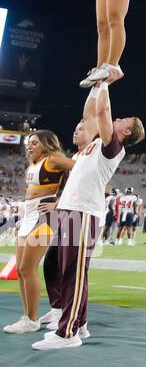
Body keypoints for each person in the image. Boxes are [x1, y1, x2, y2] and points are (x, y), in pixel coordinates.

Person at [35, 79, 143, 351]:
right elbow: (91, 114)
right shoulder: (93, 144)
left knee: (72, 272)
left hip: (84, 213)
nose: (118, 117)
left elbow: (104, 113)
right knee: (71, 270)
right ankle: (79, 322)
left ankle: (67, 333)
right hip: (71, 211)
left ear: (126, 131)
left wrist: (105, 80)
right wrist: (96, 88)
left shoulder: (113, 147)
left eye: (124, 119)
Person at [3, 132, 73, 334]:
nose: (29, 146)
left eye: (34, 143)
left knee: (27, 267)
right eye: (28, 143)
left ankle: (32, 319)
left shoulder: (53, 158)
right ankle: (28, 317)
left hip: (44, 217)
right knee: (21, 271)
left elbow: (80, 173)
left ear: (46, 143)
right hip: (29, 215)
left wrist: (59, 202)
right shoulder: (35, 162)